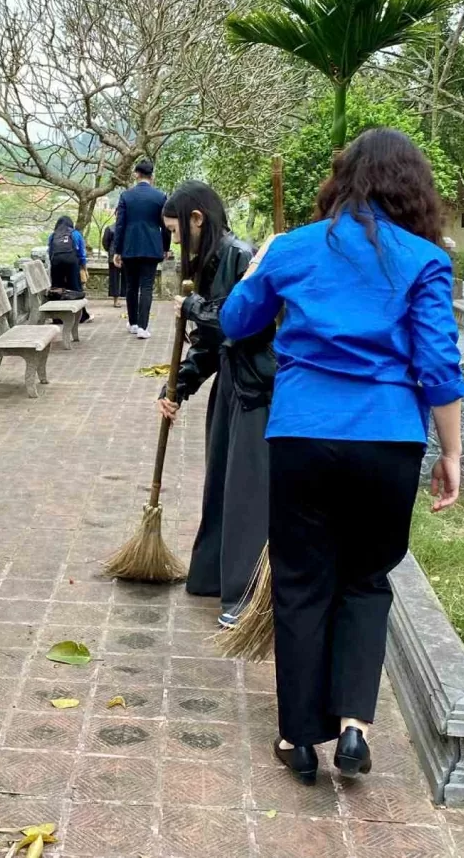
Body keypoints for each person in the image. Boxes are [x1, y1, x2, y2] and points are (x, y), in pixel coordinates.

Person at [220, 128, 464, 785]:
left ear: (341, 179)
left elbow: (238, 321)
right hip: (388, 439)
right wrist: (452, 453)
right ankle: (355, 724)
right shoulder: (424, 259)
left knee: (301, 584)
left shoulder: (295, 248)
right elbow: (438, 365)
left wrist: (258, 265)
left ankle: (299, 740)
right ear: (411, 188)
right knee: (366, 579)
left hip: (302, 435)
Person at [156, 182, 275, 629]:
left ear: (197, 219)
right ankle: (214, 576)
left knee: (248, 490)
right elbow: (209, 345)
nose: (173, 242)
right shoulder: (209, 263)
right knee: (221, 481)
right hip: (231, 382)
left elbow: (245, 325)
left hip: (258, 387)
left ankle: (249, 595)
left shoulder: (241, 257)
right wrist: (176, 389)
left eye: (175, 230)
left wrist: (194, 307)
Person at [111, 158, 169, 338]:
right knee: (146, 287)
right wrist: (165, 247)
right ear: (152, 175)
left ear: (136, 174)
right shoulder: (160, 197)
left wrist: (117, 250)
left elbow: (119, 225)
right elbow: (165, 225)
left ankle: (133, 323)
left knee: (131, 286)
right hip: (152, 247)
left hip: (129, 247)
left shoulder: (126, 196)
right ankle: (143, 327)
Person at [46, 215, 92, 323]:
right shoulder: (75, 234)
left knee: (57, 288)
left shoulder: (53, 235)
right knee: (75, 288)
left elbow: (50, 251)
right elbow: (81, 253)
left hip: (56, 262)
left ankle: (57, 318)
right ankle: (81, 316)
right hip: (72, 262)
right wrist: (83, 267)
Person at [101, 223, 121, 306]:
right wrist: (111, 251)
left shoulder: (129, 226)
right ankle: (116, 300)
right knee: (114, 278)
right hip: (113, 256)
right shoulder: (110, 228)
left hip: (127, 255)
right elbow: (105, 242)